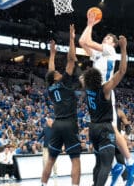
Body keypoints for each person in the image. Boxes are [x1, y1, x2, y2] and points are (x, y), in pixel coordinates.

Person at [79, 10, 134, 186]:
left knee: (111, 127)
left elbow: (88, 41)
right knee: (104, 129)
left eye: (108, 38)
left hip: (105, 90)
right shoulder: (99, 54)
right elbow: (83, 41)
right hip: (95, 91)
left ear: (112, 43)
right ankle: (117, 164)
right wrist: (89, 24)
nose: (105, 40)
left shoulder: (109, 50)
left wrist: (91, 24)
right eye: (104, 38)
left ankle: (130, 162)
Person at [42, 24, 81, 186]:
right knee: (75, 160)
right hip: (69, 123)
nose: (58, 72)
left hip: (57, 125)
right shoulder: (64, 82)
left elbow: (50, 71)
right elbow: (71, 60)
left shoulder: (50, 88)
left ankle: (43, 184)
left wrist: (52, 54)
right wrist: (72, 39)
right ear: (56, 78)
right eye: (57, 73)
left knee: (51, 159)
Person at [111, 108, 131, 185]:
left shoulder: (119, 112)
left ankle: (126, 180)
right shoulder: (102, 109)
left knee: (121, 161)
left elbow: (128, 126)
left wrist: (126, 135)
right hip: (106, 138)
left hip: (117, 138)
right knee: (103, 162)